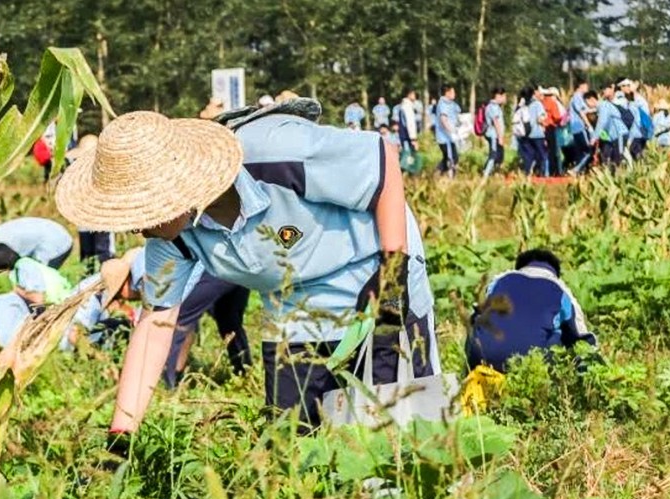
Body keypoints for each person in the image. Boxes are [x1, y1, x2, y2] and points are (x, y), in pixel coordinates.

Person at [54, 109, 439, 438]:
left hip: (372, 270)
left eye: (140, 212)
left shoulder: (275, 154)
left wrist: (392, 277)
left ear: (174, 191)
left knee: (400, 428)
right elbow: (155, 325)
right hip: (292, 304)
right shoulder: (168, 239)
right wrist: (121, 436)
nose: (133, 228)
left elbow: (382, 159)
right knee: (297, 445)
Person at [467, 249, 596, 373]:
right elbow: (584, 341)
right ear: (555, 272)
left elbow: (476, 314)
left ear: (520, 268)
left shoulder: (499, 280)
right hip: (530, 367)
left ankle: (469, 374)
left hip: (484, 360)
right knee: (562, 336)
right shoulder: (560, 289)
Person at [162, 266, 251, 389]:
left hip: (215, 267)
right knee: (229, 320)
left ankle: (168, 382)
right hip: (243, 266)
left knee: (180, 317)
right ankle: (245, 373)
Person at [61, 248, 146, 353]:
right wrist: (99, 357)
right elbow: (74, 335)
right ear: (124, 284)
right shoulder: (93, 298)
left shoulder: (104, 282)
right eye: (135, 290)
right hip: (68, 347)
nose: (137, 296)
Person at [0, 259, 73, 348]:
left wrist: (14, 289)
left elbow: (37, 299)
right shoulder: (12, 292)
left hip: (59, 312)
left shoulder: (23, 265)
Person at [0, 216, 73, 270]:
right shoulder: (0, 231)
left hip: (56, 243)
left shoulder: (3, 245)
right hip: (57, 234)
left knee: (41, 280)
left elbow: (11, 264)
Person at [594, 85, 626, 169]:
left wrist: (594, 137)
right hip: (611, 136)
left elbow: (602, 121)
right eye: (603, 90)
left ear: (612, 88)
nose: (604, 91)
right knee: (610, 157)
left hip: (619, 134)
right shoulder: (605, 104)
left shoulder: (618, 101)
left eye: (606, 89)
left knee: (618, 158)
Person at [565, 81, 594, 174]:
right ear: (580, 86)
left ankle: (581, 170)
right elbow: (582, 112)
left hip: (575, 127)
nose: (587, 88)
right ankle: (577, 169)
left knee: (580, 151)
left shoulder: (574, 98)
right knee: (588, 150)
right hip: (580, 127)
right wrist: (589, 125)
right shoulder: (578, 97)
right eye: (586, 86)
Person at [521, 86, 548, 176]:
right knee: (542, 155)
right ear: (533, 93)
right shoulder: (537, 104)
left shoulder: (523, 105)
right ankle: (542, 174)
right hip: (537, 134)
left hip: (526, 134)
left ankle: (527, 173)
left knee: (529, 155)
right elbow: (540, 119)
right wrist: (544, 124)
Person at [435, 85, 461, 178]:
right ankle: (451, 179)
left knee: (448, 158)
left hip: (450, 138)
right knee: (452, 158)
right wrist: (452, 131)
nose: (454, 94)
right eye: (453, 92)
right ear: (447, 93)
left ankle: (437, 174)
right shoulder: (443, 104)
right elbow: (444, 119)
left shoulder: (451, 104)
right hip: (445, 138)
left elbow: (457, 116)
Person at [540, 87, 566, 174]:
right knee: (554, 151)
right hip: (551, 127)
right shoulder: (553, 103)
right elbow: (557, 116)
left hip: (542, 128)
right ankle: (555, 171)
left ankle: (544, 171)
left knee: (545, 151)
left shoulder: (541, 103)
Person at [482, 88, 506, 178]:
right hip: (493, 135)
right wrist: (500, 137)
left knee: (499, 155)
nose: (504, 98)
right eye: (504, 96)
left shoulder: (494, 106)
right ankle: (486, 174)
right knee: (493, 154)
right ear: (498, 96)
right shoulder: (493, 107)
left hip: (495, 135)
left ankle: (494, 173)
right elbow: (496, 122)